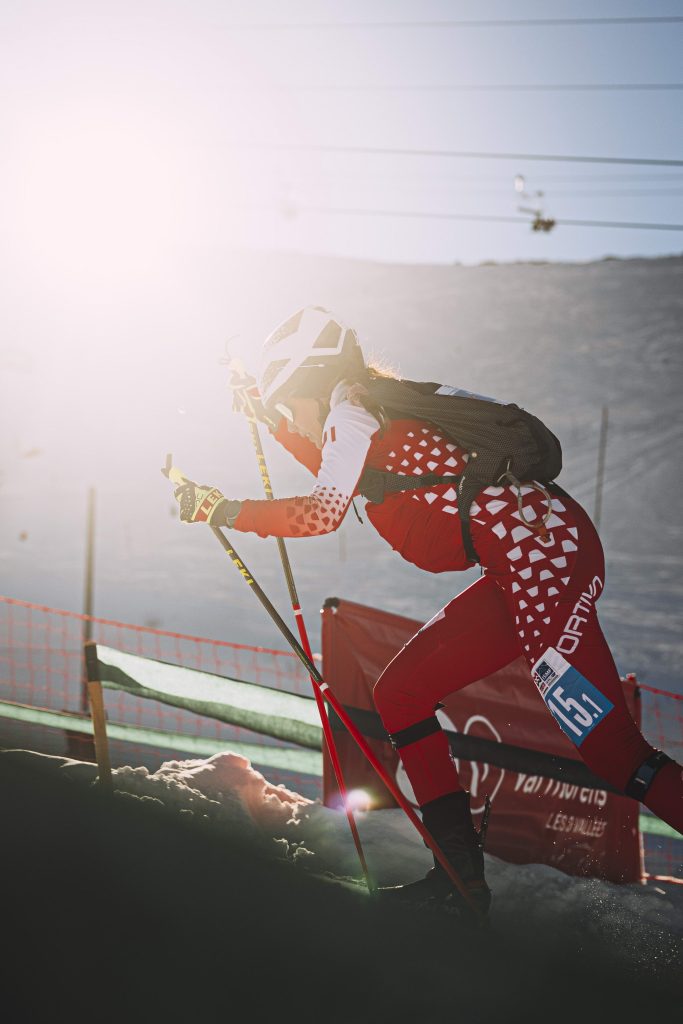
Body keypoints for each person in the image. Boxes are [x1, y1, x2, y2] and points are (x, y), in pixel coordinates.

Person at [173, 306, 683, 915]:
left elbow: (321, 511)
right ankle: (460, 880)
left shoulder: (352, 415)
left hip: (545, 561)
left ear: (310, 385)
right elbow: (356, 478)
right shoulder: (362, 411)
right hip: (525, 560)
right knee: (402, 694)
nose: (295, 419)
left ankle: (460, 882)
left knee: (612, 750)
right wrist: (267, 416)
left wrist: (223, 510)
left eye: (291, 404)